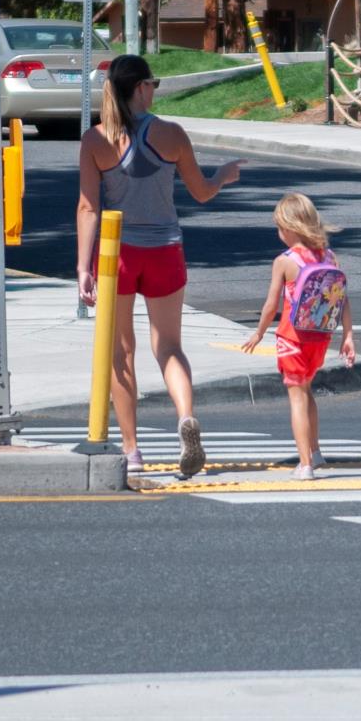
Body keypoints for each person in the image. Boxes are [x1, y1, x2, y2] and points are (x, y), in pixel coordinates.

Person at [76, 54, 242, 475]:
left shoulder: (95, 140)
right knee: (168, 346)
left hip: (118, 255)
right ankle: (185, 417)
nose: (154, 89)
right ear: (143, 88)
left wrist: (83, 267)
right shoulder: (172, 134)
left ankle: (131, 449)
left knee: (120, 352)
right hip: (166, 248)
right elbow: (201, 191)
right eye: (153, 83)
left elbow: (88, 207)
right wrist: (223, 175)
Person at [240, 193, 355, 482]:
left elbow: (270, 306)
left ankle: (305, 464)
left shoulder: (285, 261)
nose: (279, 233)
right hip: (321, 336)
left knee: (297, 398)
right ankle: (315, 451)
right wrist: (349, 335)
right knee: (307, 391)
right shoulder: (329, 256)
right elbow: (342, 299)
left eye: (280, 227)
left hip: (293, 338)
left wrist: (259, 332)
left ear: (290, 228)